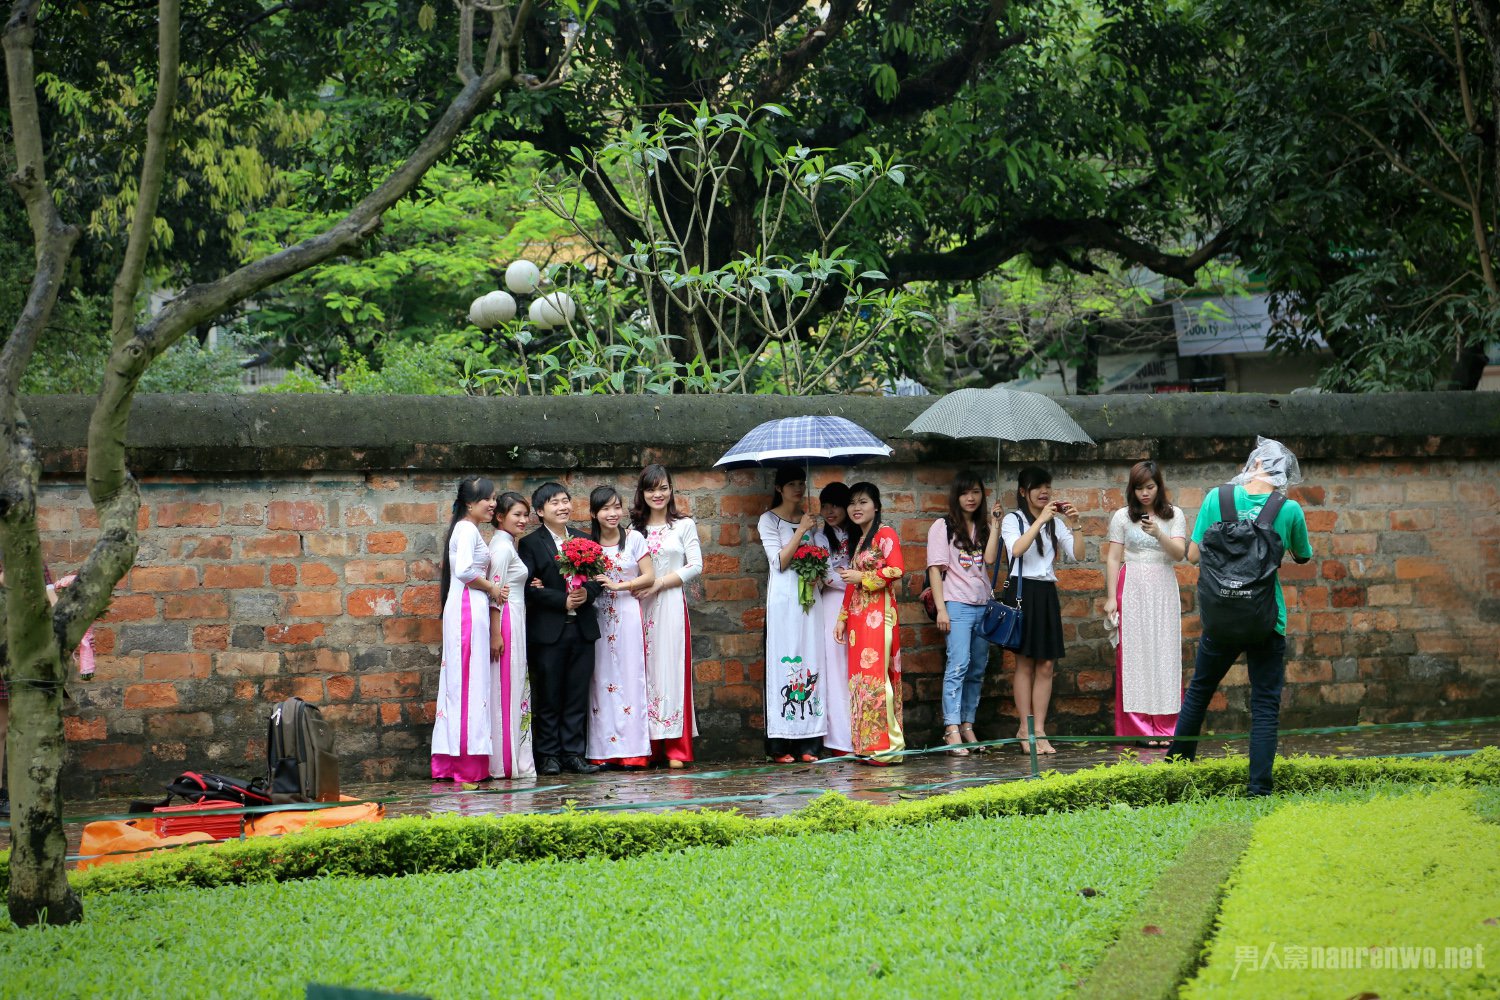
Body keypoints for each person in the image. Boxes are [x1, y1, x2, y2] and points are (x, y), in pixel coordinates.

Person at [1166, 438, 1313, 796]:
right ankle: (1259, 788)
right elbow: (1302, 556)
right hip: (1266, 619)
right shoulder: (1288, 508)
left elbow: (1194, 556)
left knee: (1199, 692)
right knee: (1264, 704)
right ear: (1283, 473)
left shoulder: (1217, 498)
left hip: (1222, 617)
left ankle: (1173, 776)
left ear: (1255, 464)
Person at [519, 482, 605, 776]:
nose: (562, 507)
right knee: (549, 694)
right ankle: (547, 755)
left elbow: (599, 579)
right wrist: (561, 599)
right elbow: (526, 588)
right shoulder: (530, 544)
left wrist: (587, 594)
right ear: (540, 511)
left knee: (576, 694)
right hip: (549, 631)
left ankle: (573, 753)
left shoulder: (584, 539)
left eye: (566, 500)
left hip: (581, 629)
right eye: (554, 502)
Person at [1000, 465, 1084, 755]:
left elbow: (1078, 555)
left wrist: (1075, 524)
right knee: (1024, 663)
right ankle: (1024, 728)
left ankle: (1039, 730)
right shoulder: (1013, 519)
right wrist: (1039, 520)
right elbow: (1016, 550)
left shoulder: (1056, 523)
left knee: (1046, 664)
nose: (1044, 491)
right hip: (1022, 591)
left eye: (1047, 485)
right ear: (1023, 492)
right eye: (1037, 487)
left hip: (1046, 593)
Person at [1103, 461, 1187, 746]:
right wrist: (1110, 597)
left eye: (1150, 487)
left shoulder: (1174, 515)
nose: (1144, 493)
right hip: (1132, 585)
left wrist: (1158, 533)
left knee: (1165, 653)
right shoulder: (1123, 517)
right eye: (1139, 488)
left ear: (1159, 486)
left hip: (1163, 585)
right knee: (1135, 654)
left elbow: (1179, 554)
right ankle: (1140, 728)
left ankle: (1166, 725)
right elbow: (1114, 558)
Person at [433, 476, 508, 783]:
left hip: (468, 606)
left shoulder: (467, 529)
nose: (492, 504)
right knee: (467, 683)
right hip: (467, 608)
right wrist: (492, 588)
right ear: (468, 503)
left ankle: (457, 761)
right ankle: (464, 764)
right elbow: (464, 571)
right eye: (486, 499)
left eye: (493, 498)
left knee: (465, 682)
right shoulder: (466, 529)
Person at [926, 469, 1004, 756]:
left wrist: (995, 525)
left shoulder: (983, 527)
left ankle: (968, 725)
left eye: (975, 492)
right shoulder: (943, 527)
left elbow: (992, 559)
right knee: (957, 665)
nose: (970, 498)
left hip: (983, 606)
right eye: (964, 492)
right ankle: (951, 729)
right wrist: (942, 609)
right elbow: (935, 569)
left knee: (977, 669)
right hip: (956, 605)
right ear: (955, 496)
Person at [630, 465, 702, 769]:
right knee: (642, 671)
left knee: (671, 670)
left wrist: (658, 583)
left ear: (671, 490)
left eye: (663, 488)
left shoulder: (683, 525)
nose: (657, 495)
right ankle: (646, 746)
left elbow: (696, 565)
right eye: (651, 489)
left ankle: (676, 747)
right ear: (642, 493)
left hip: (670, 603)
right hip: (639, 607)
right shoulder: (634, 531)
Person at [758, 466, 828, 763]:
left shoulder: (814, 522)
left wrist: (818, 571)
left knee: (812, 660)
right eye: (791, 484)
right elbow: (780, 562)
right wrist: (800, 531)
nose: (798, 489)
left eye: (802, 483)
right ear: (779, 488)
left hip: (811, 600)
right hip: (784, 601)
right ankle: (779, 744)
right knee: (783, 664)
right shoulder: (768, 520)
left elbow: (822, 561)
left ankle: (810, 743)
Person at [834, 482, 906, 764]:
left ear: (876, 505)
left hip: (879, 615)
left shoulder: (885, 533)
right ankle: (867, 746)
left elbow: (897, 568)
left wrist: (862, 578)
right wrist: (842, 619)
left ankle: (887, 748)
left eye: (863, 502)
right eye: (852, 503)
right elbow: (850, 584)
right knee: (860, 682)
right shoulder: (860, 540)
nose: (856, 508)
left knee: (877, 677)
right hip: (858, 619)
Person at [587, 485, 655, 768]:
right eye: (605, 509)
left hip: (627, 613)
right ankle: (602, 751)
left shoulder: (634, 538)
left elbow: (650, 576)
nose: (612, 514)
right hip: (598, 615)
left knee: (631, 676)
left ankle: (634, 750)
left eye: (617, 507)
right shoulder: (587, 543)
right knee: (600, 678)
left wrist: (621, 585)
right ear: (594, 513)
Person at [486, 492, 536, 779]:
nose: (523, 520)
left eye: (525, 514)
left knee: (515, 687)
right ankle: (506, 762)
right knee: (507, 688)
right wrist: (496, 634)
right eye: (516, 514)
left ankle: (513, 757)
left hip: (515, 616)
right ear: (500, 517)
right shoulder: (502, 548)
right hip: (506, 619)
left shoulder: (507, 545)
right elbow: (495, 594)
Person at [812, 482, 857, 756]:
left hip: (859, 606)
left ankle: (863, 733)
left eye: (835, 505)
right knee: (836, 669)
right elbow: (827, 575)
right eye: (824, 506)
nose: (829, 511)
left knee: (857, 667)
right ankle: (840, 740)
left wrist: (854, 576)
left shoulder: (860, 535)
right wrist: (855, 578)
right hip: (831, 606)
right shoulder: (819, 537)